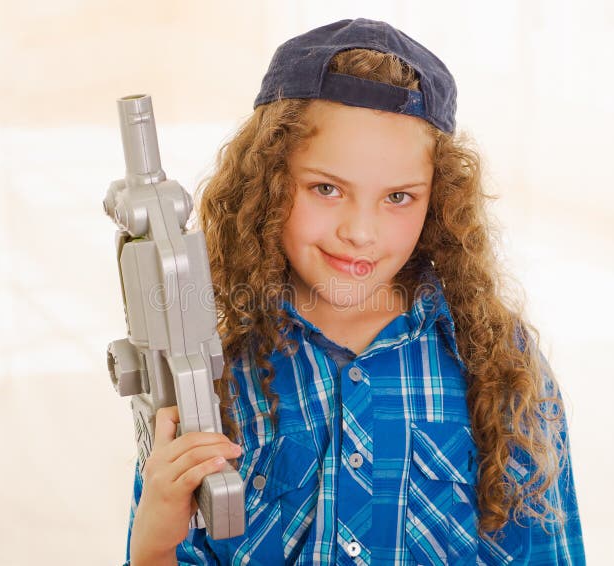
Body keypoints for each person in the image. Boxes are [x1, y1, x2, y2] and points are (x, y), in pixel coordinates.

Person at [124, 18, 585, 566]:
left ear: (438, 201)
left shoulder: (494, 361)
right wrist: (153, 542)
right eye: (326, 188)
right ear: (268, 182)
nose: (360, 231)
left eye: (398, 197)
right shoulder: (209, 372)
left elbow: (545, 552)